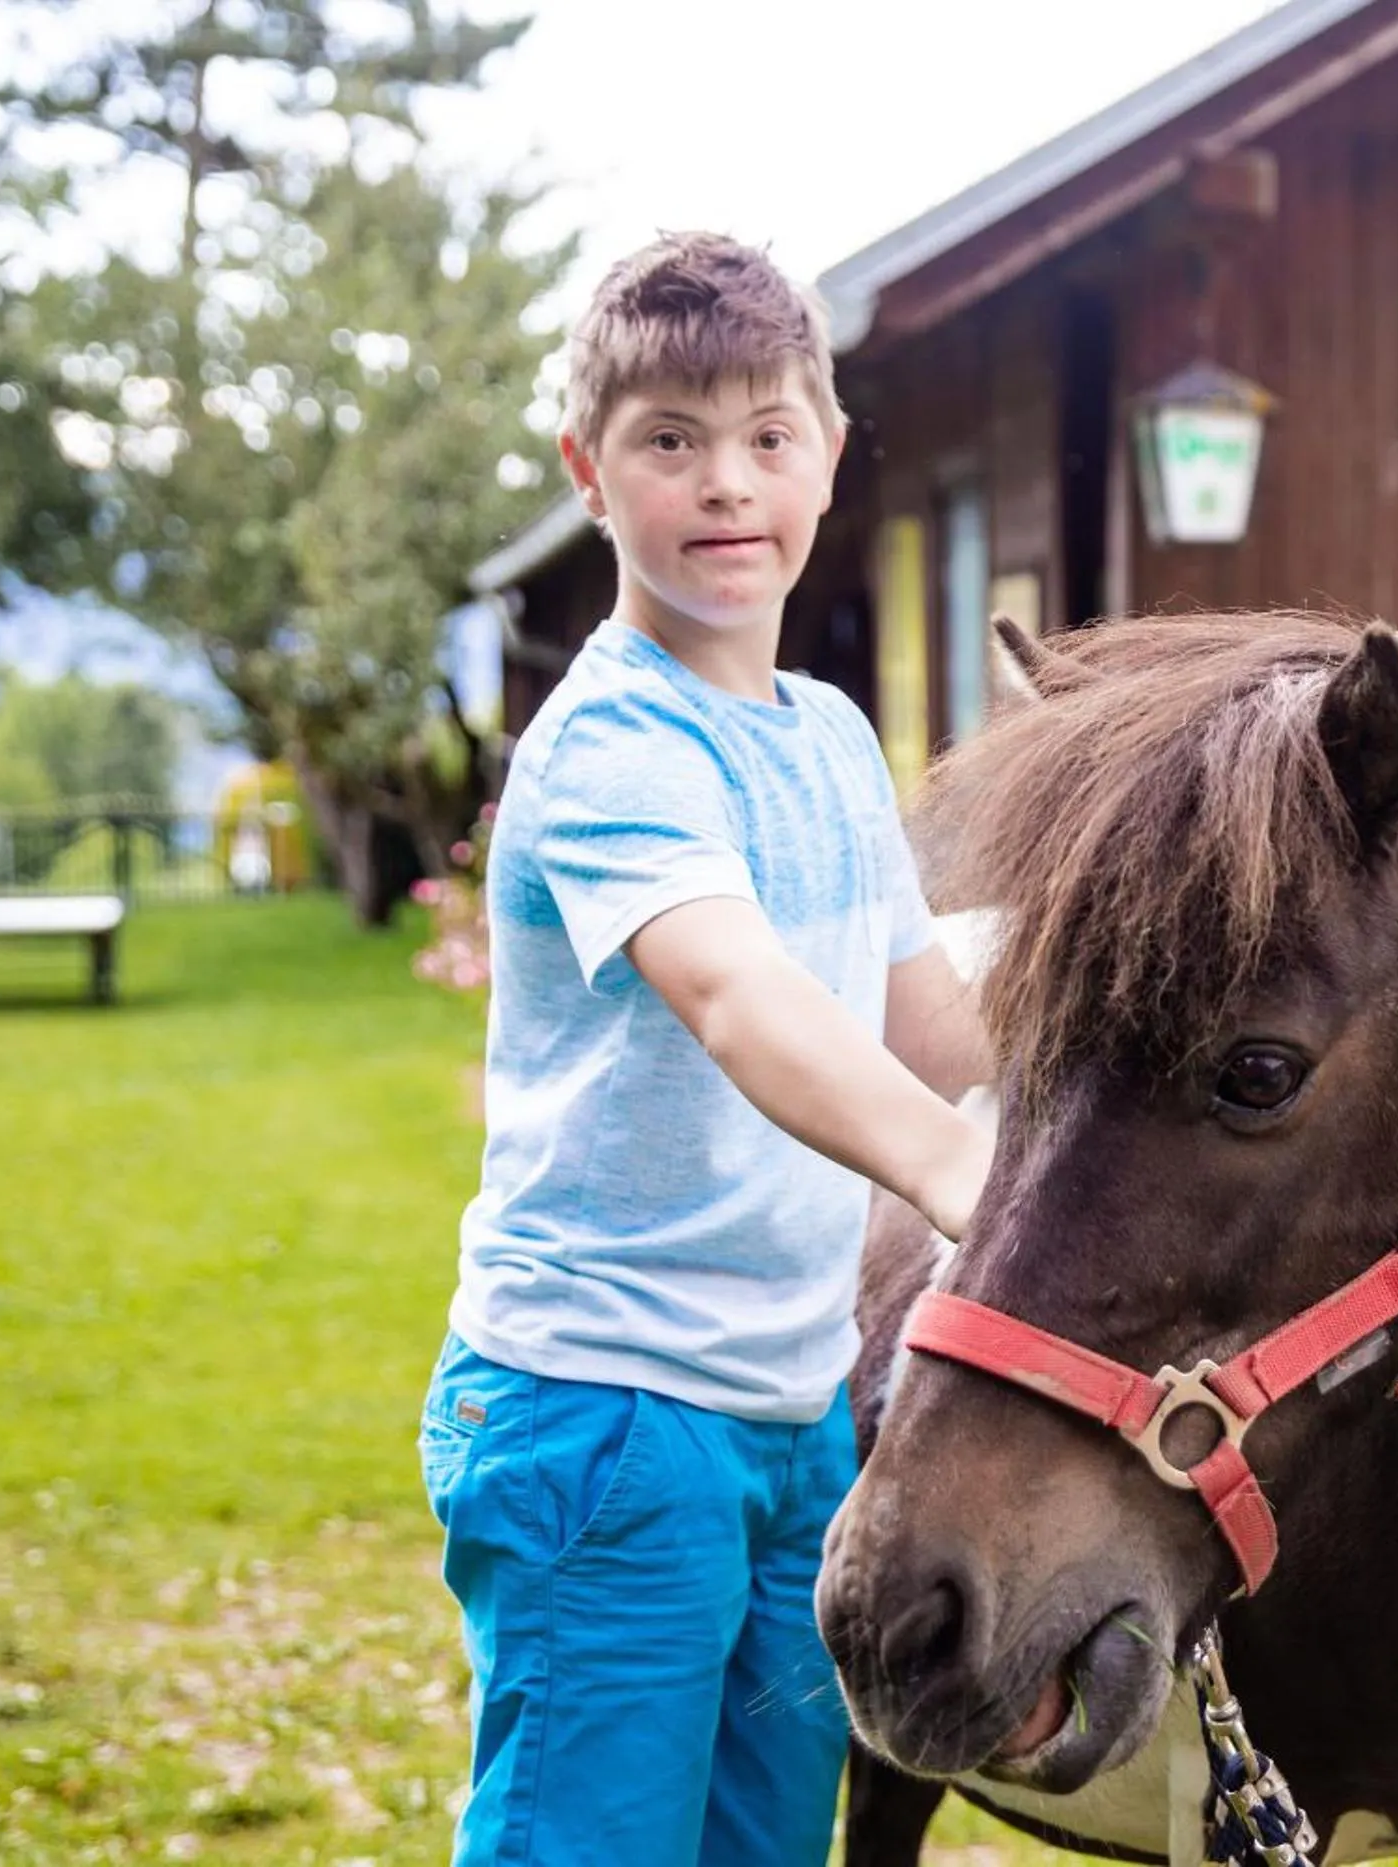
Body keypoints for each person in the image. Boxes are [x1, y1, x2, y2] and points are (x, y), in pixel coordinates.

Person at [418, 230, 992, 1867]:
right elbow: (743, 1000)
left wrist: (1122, 1004)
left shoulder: (820, 733)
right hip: (603, 1414)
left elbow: (920, 1011)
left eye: (767, 437)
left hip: (797, 1409)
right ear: (590, 471)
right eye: (672, 441)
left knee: (763, 1843)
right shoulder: (611, 743)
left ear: (825, 452)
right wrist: (961, 1167)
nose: (727, 485)